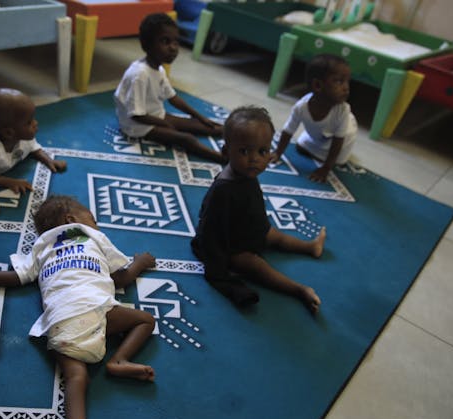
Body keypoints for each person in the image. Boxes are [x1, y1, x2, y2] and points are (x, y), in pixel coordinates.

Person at [0, 195, 156, 419]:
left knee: (75, 376)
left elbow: (18, 278)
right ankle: (120, 359)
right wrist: (141, 261)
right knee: (145, 320)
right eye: (93, 218)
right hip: (98, 308)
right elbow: (123, 278)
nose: (96, 223)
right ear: (72, 221)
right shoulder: (91, 236)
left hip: (60, 316)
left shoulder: (41, 245)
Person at [191, 106, 326, 313]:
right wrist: (219, 268)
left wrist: (260, 229)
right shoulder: (223, 189)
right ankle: (299, 290)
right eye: (244, 151)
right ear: (227, 152)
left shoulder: (246, 173)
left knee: (276, 236)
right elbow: (210, 231)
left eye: (262, 151)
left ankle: (310, 247)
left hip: (249, 230)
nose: (255, 158)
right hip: (231, 246)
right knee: (256, 265)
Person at [114, 13, 224, 163]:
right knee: (186, 138)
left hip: (155, 115)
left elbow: (173, 98)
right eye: (165, 41)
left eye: (176, 42)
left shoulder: (159, 70)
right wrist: (166, 124)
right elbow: (136, 115)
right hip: (137, 126)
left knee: (205, 126)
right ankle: (224, 159)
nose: (173, 48)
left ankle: (240, 136)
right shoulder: (139, 75)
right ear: (146, 45)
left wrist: (200, 117)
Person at [272, 53, 357, 183]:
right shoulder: (301, 107)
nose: (346, 88)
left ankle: (325, 158)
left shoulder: (343, 110)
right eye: (339, 81)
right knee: (300, 147)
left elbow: (338, 142)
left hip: (343, 140)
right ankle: (319, 152)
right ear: (318, 85)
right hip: (320, 136)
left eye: (347, 82)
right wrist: (278, 153)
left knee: (338, 162)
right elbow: (288, 130)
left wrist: (325, 169)